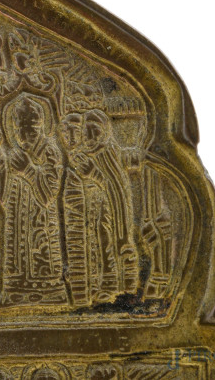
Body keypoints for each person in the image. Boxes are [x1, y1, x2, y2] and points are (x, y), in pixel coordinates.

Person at [62, 109, 139, 305]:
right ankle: (100, 286)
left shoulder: (108, 154)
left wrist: (94, 174)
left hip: (112, 214)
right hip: (93, 214)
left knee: (110, 246)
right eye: (86, 130)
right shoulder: (84, 156)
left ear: (104, 131)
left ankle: (118, 287)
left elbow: (116, 188)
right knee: (97, 247)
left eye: (94, 129)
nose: (89, 135)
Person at [0, 93, 67, 306]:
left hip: (41, 225)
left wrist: (28, 170)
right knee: (18, 260)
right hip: (18, 226)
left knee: (41, 258)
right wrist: (0, 170)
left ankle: (48, 292)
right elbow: (4, 197)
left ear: (39, 125)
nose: (21, 133)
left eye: (28, 127)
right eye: (18, 127)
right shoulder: (15, 153)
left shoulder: (50, 152)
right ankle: (15, 292)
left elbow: (49, 195)